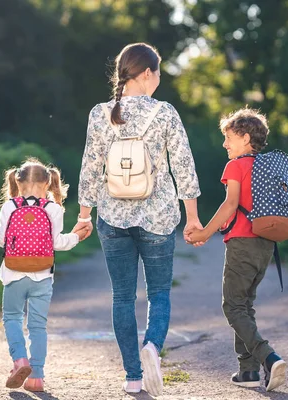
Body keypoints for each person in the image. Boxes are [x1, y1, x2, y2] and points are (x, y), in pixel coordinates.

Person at [73, 42, 202, 396]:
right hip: (158, 217)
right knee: (159, 292)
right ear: (147, 74)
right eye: (158, 73)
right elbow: (184, 168)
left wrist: (85, 214)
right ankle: (152, 347)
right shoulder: (164, 113)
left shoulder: (100, 113)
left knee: (122, 297)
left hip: (112, 218)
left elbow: (90, 167)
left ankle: (132, 376)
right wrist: (192, 218)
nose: (158, 79)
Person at [185, 108, 287, 392]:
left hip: (242, 244)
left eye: (228, 137)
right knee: (244, 305)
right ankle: (248, 371)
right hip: (266, 245)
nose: (224, 144)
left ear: (244, 138)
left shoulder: (237, 166)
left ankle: (269, 357)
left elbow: (231, 204)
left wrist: (204, 231)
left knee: (232, 306)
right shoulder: (268, 166)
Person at [0, 158, 90, 392]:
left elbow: (1, 242)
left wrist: (0, 233)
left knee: (12, 318)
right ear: (48, 183)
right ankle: (36, 377)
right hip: (43, 275)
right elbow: (58, 243)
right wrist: (77, 236)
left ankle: (20, 361)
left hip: (14, 274)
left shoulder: (9, 207)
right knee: (38, 326)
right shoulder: (53, 209)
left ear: (17, 182)